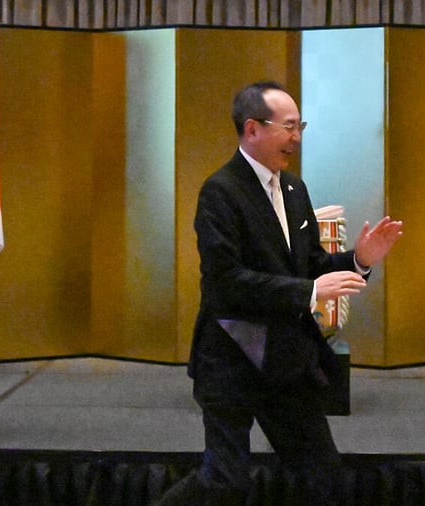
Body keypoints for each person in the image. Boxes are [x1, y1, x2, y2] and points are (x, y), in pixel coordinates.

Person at [156, 81, 402, 505]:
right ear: (252, 129)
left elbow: (312, 267)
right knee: (225, 482)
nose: (297, 137)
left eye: (300, 125)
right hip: (231, 358)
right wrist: (308, 291)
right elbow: (226, 282)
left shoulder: (293, 190)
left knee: (323, 475)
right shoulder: (220, 191)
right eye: (288, 127)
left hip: (286, 360)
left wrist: (359, 259)